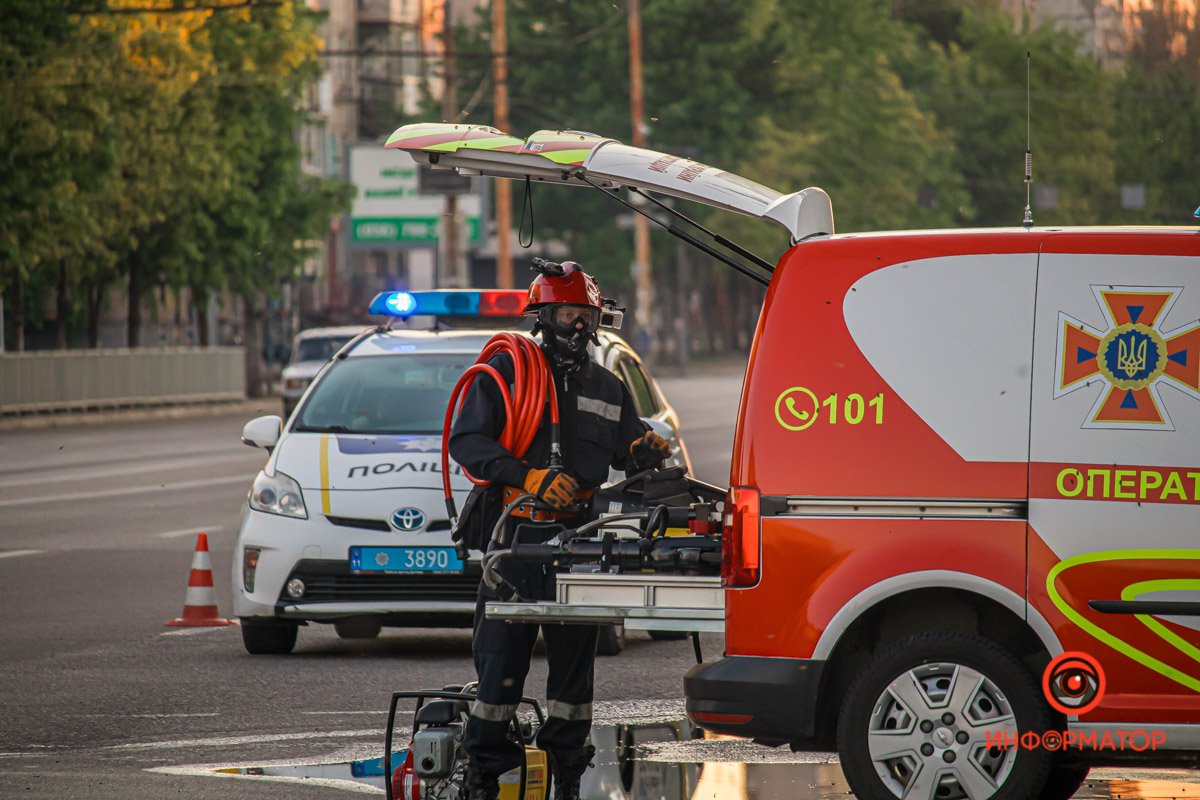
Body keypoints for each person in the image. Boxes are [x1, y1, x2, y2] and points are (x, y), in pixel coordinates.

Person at [448, 260, 672, 800]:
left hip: (580, 546)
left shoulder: (608, 386)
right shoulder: (507, 371)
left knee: (574, 679)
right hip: (517, 542)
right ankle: (484, 776)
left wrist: (644, 453)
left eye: (585, 314)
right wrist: (528, 475)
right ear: (544, 316)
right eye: (568, 312)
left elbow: (629, 452)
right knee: (500, 666)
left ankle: (566, 775)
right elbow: (468, 442)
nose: (577, 324)